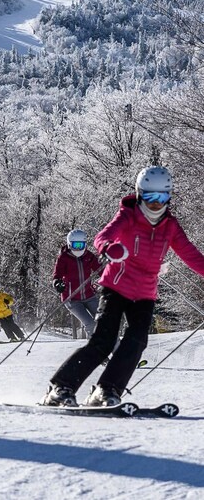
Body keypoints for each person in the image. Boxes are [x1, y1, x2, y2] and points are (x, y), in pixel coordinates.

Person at [42, 166, 204, 408]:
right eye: (150, 197)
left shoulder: (170, 226)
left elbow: (190, 254)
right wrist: (109, 248)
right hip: (115, 288)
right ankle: (60, 387)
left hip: (145, 293)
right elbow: (102, 237)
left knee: (136, 342)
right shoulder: (128, 216)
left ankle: (106, 390)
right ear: (140, 194)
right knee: (103, 341)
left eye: (162, 198)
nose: (156, 204)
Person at [52, 229, 100, 339]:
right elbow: (57, 274)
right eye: (75, 245)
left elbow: (101, 269)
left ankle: (118, 352)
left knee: (104, 321)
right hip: (72, 299)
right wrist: (57, 283)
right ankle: (98, 353)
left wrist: (109, 267)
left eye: (81, 245)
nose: (78, 248)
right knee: (91, 324)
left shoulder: (89, 256)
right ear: (69, 244)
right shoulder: (63, 258)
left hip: (89, 295)